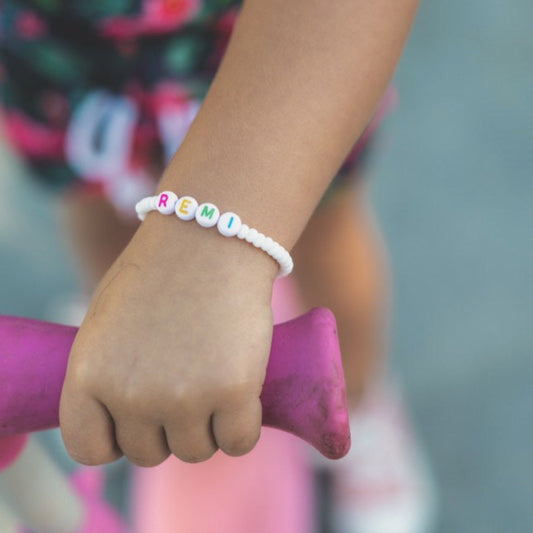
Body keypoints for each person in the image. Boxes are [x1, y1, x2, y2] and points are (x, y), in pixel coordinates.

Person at [0, 0, 434, 531]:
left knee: (320, 231)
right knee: (96, 199)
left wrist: (212, 245)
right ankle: (116, 338)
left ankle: (359, 403)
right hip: (48, 43)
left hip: (257, 47)